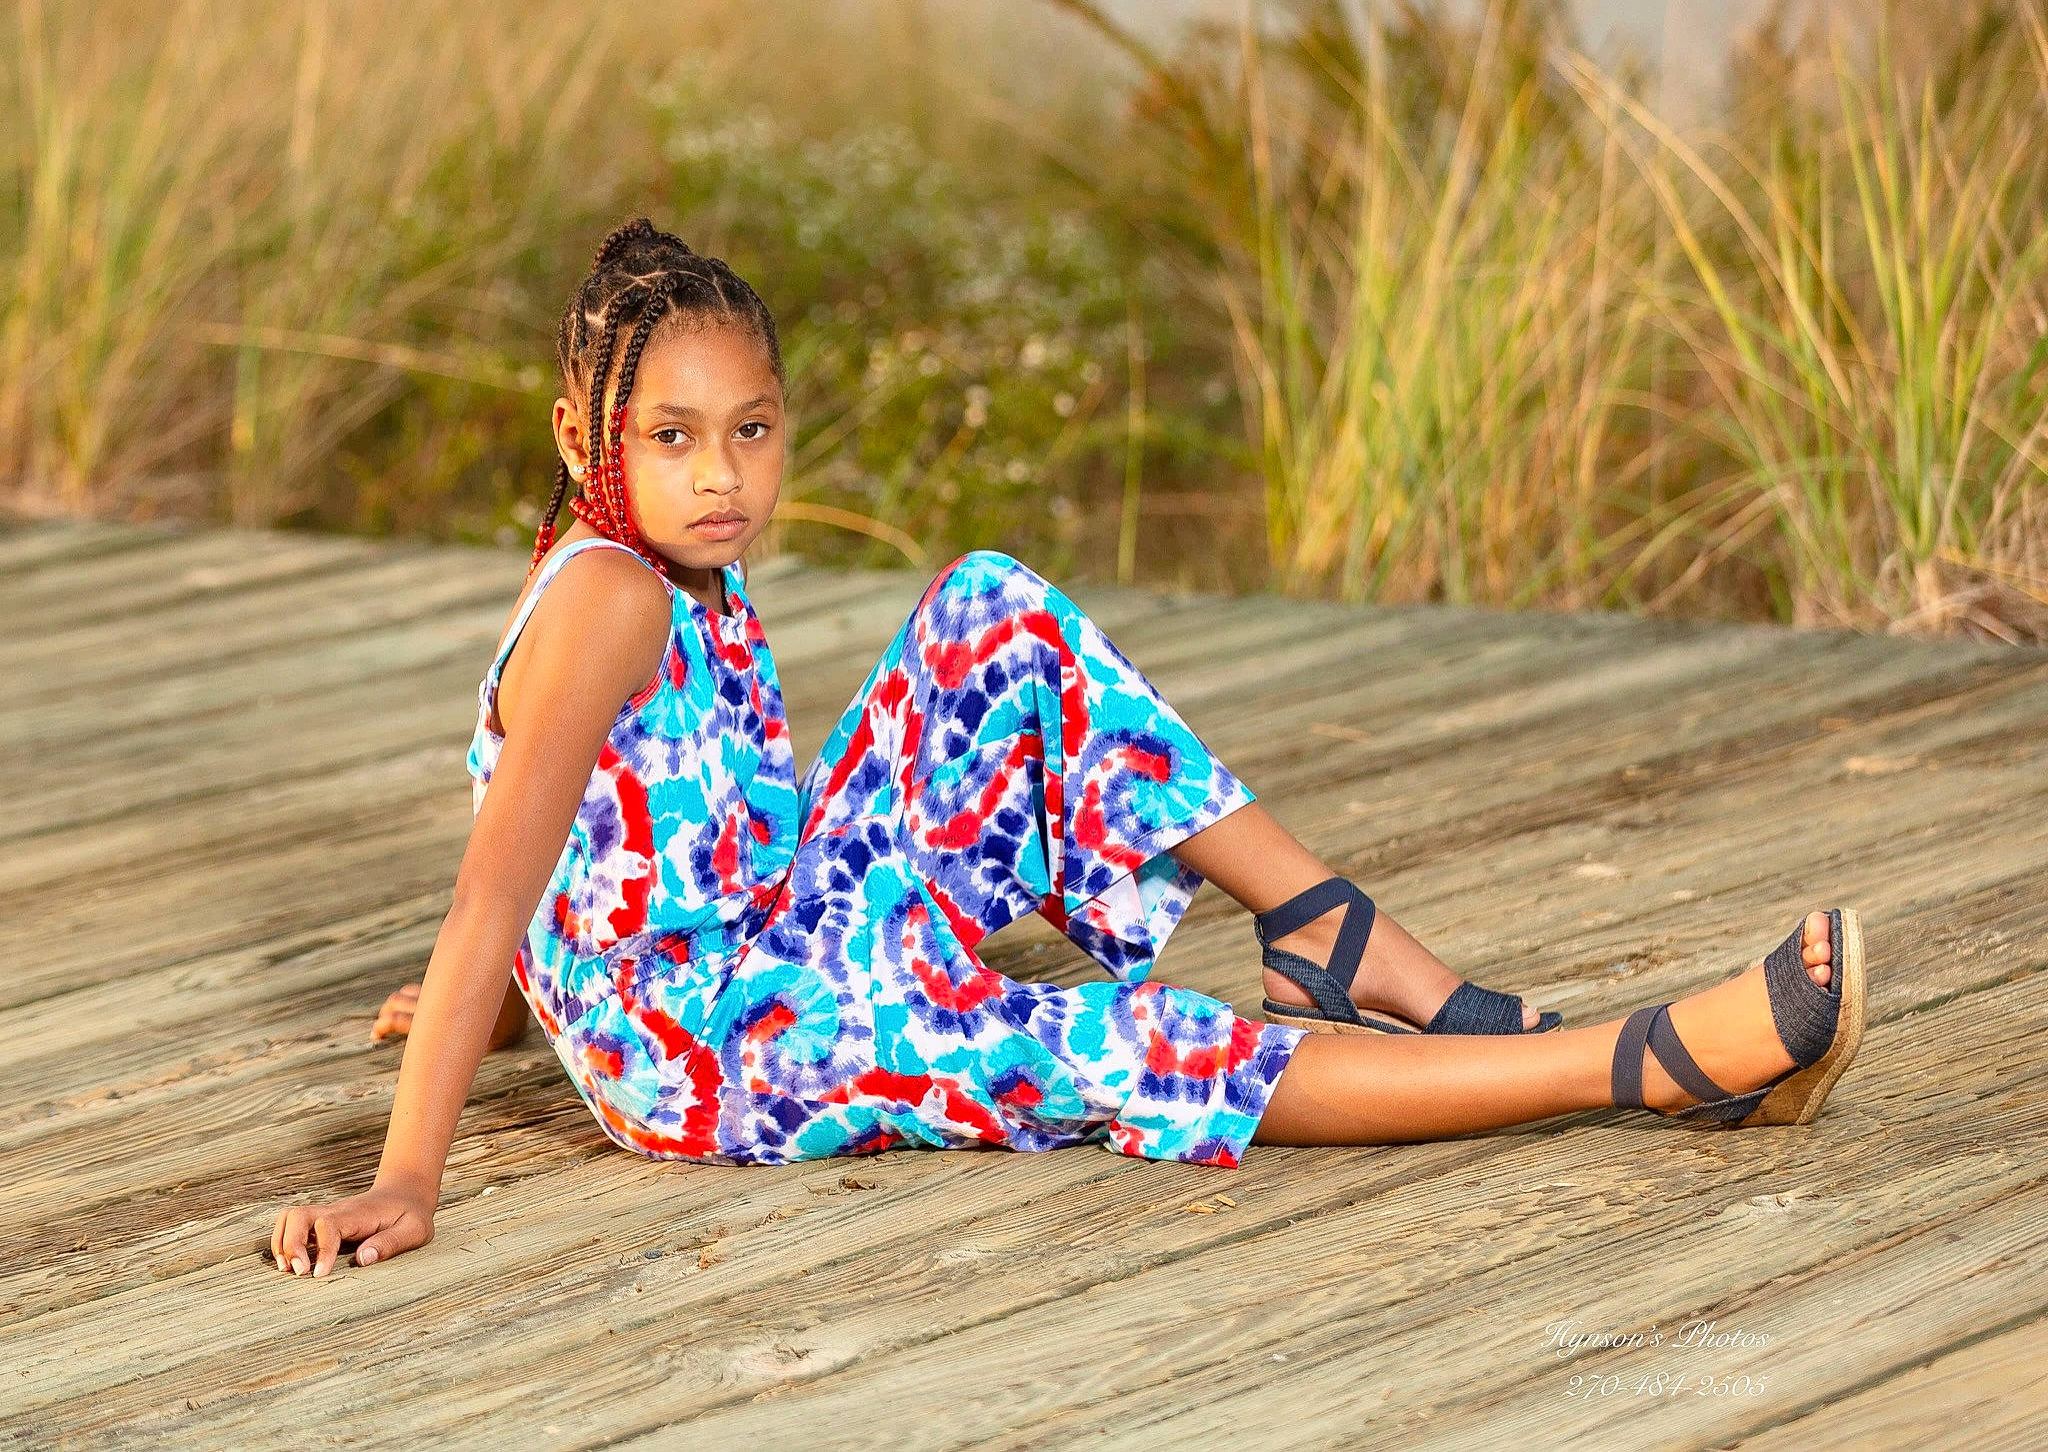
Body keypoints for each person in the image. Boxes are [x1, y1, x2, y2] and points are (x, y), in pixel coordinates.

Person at [269, 219, 1864, 1278]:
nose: (720, 478)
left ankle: (1328, 928)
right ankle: (1640, 1066)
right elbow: (498, 885)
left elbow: (597, 846)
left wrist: (527, 997)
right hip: (718, 1049)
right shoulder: (612, 599)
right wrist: (414, 1168)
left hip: (762, 926)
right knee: (1095, 1036)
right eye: (671, 439)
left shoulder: (677, 570)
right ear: (583, 438)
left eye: (751, 430)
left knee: (991, 610)